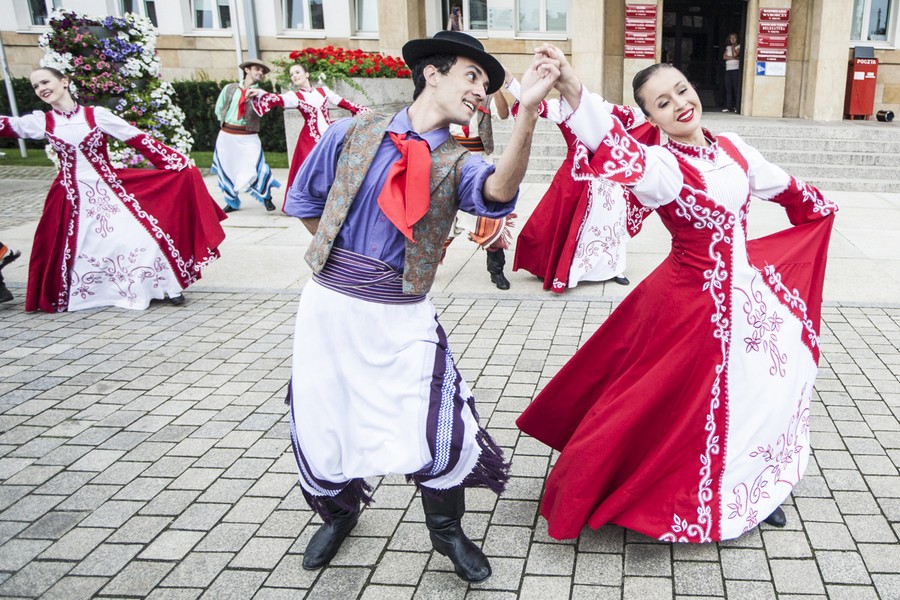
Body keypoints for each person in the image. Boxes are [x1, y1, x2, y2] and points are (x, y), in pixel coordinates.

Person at [516, 48, 838, 543]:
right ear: (652, 119)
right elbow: (612, 144)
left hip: (747, 297)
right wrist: (571, 85)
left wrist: (818, 209)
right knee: (678, 407)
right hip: (693, 306)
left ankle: (756, 487)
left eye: (682, 91)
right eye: (662, 103)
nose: (680, 105)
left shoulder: (732, 147)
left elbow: (784, 187)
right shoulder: (662, 168)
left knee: (765, 391)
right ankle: (693, 494)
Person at [283, 31, 559, 581]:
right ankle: (338, 515)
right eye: (473, 77)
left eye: (488, 85)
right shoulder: (349, 131)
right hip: (330, 309)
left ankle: (447, 531)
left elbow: (500, 195)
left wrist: (525, 113)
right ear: (432, 74)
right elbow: (307, 203)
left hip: (402, 312)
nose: (481, 91)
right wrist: (344, 264)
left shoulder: (460, 160)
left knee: (440, 420)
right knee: (325, 420)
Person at [0, 67, 227, 313]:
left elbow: (137, 138)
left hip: (109, 187)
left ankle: (165, 286)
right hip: (70, 196)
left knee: (140, 235)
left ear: (64, 81)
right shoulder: (41, 121)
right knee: (90, 247)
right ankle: (98, 293)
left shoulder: (96, 116)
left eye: (45, 81)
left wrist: (176, 162)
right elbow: (6, 126)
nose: (41, 88)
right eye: (36, 86)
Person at [508, 72, 659, 293]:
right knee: (561, 222)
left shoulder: (603, 107)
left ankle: (612, 268)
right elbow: (531, 103)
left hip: (608, 179)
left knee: (610, 225)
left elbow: (644, 115)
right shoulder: (560, 108)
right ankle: (561, 266)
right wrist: (509, 82)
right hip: (574, 177)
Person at [251, 62, 370, 208]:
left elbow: (344, 103)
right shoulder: (295, 96)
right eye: (291, 74)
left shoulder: (324, 91)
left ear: (306, 74)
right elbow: (278, 99)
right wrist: (260, 94)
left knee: (338, 165)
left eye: (297, 72)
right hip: (309, 138)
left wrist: (362, 111)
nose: (294, 76)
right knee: (309, 170)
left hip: (329, 134)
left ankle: (341, 200)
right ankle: (306, 204)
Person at [445, 86, 515, 289]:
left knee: (489, 217)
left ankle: (497, 272)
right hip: (451, 162)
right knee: (440, 219)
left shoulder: (486, 97)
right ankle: (423, 266)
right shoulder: (448, 94)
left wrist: (498, 87)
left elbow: (503, 114)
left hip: (480, 165)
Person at [212, 58, 281, 213]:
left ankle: (266, 197)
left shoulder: (260, 93)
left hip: (249, 136)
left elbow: (268, 105)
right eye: (257, 69)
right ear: (247, 70)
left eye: (262, 71)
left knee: (259, 168)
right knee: (227, 168)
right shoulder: (230, 88)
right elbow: (219, 108)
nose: (260, 73)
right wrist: (225, 125)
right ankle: (232, 201)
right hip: (227, 135)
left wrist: (258, 97)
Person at [722, 33, 741, 113]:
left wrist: (733, 48)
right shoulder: (728, 47)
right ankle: (728, 106)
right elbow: (724, 57)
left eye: (734, 38)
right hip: (728, 69)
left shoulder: (738, 46)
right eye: (731, 38)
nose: (732, 39)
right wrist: (733, 58)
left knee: (736, 88)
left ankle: (737, 107)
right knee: (728, 88)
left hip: (735, 69)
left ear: (737, 39)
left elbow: (736, 54)